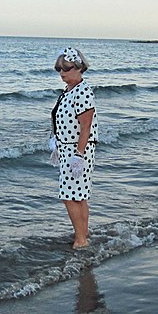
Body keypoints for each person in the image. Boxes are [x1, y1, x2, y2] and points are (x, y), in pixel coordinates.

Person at [50, 47, 98, 249]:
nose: (62, 73)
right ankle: (82, 235)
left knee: (70, 196)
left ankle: (81, 240)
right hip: (68, 149)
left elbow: (86, 126)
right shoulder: (69, 90)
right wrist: (57, 145)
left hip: (77, 150)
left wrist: (78, 155)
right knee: (78, 195)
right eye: (59, 69)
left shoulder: (83, 92)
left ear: (79, 68)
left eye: (67, 69)